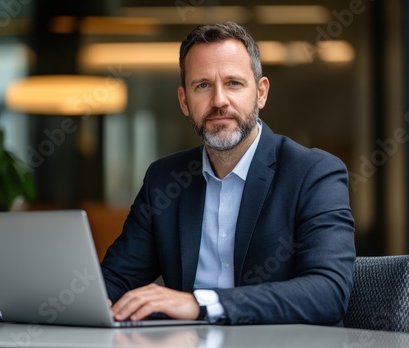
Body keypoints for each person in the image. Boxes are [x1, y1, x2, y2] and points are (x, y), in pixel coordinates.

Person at [101, 21, 356, 326]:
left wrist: (201, 303)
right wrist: (94, 300)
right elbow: (117, 278)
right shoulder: (165, 179)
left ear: (260, 93)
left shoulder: (313, 173)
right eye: (203, 85)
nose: (219, 100)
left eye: (234, 83)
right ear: (184, 101)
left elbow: (328, 293)